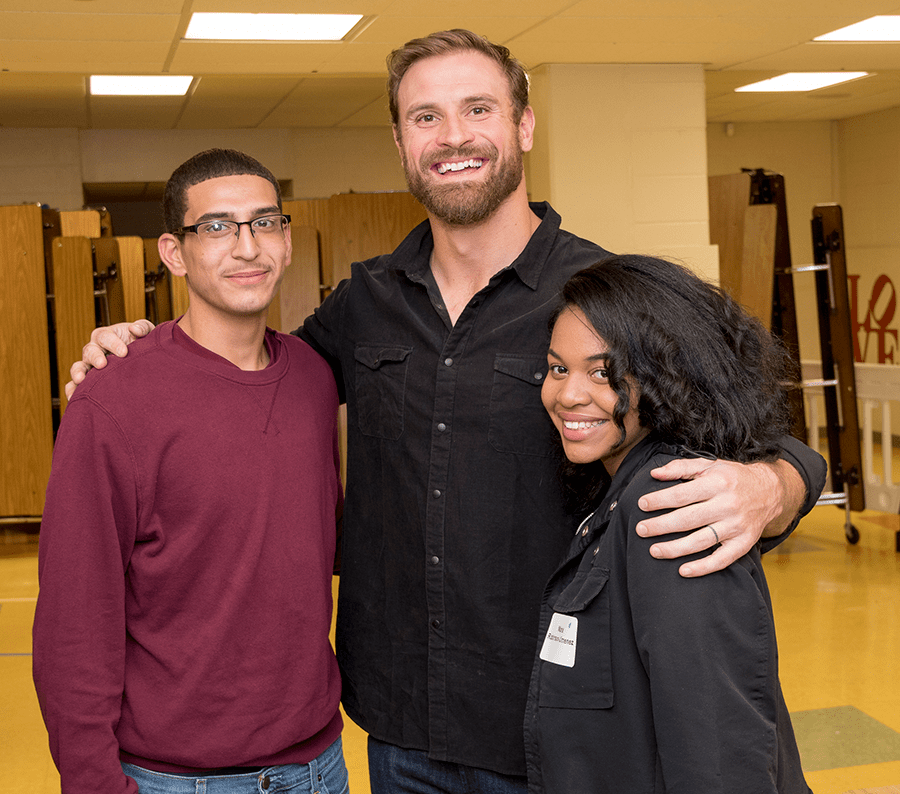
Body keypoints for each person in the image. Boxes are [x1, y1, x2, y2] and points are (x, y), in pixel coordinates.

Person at [66, 31, 826, 794]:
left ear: (524, 126)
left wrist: (774, 487)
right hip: (399, 735)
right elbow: (248, 375)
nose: (454, 135)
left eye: (478, 108)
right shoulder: (367, 301)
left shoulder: (604, 293)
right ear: (400, 141)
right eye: (425, 117)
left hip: (548, 729)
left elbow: (760, 426)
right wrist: (138, 350)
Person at [33, 149, 348, 794]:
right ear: (174, 253)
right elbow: (73, 623)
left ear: (287, 242)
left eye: (264, 223)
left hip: (319, 767)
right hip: (176, 779)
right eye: (218, 227)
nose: (246, 247)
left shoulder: (315, 380)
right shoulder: (112, 400)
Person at [526, 254, 812, 793]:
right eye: (559, 367)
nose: (567, 395)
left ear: (666, 378)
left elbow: (719, 758)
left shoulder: (673, 506)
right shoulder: (618, 490)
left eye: (603, 372)